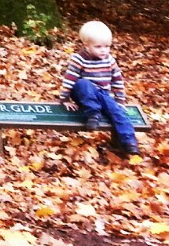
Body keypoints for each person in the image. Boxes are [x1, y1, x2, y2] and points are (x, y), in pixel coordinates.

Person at [58, 20, 140, 157]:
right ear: (87, 46)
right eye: (98, 46)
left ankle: (129, 142)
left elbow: (117, 80)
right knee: (84, 83)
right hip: (83, 93)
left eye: (107, 46)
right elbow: (70, 78)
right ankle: (93, 115)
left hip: (103, 94)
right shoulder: (79, 59)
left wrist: (120, 100)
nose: (104, 50)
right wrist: (65, 98)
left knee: (117, 112)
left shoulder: (109, 60)